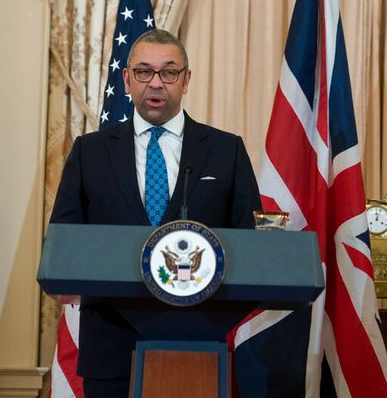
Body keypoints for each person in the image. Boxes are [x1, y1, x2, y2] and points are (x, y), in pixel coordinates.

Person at [49, 29, 262, 397]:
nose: (156, 83)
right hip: (110, 345)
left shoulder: (227, 151)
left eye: (169, 72)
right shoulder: (90, 152)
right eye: (144, 72)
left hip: (199, 342)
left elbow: (251, 244)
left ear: (186, 80)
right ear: (127, 79)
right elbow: (64, 243)